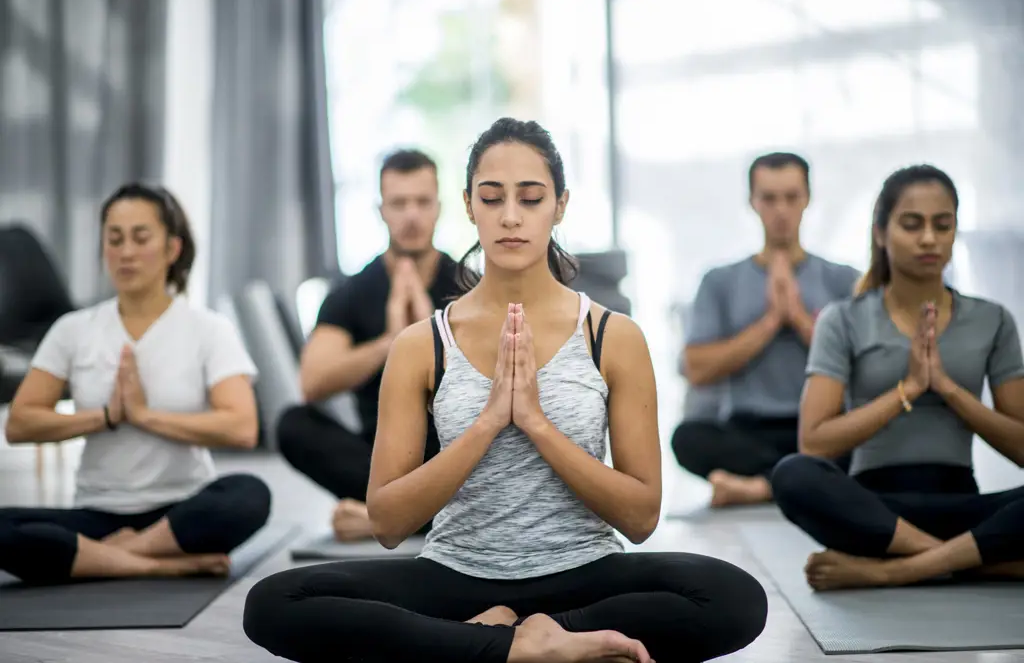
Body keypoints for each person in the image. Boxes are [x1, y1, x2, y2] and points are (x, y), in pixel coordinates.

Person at [242, 118, 767, 663]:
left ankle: (516, 639)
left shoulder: (613, 336)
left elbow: (639, 518)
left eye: (531, 198)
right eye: (492, 199)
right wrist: (489, 421)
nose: (511, 217)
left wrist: (538, 424)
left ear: (560, 205)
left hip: (586, 572)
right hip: (457, 574)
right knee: (275, 601)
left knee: (734, 597)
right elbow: (389, 522)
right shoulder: (423, 344)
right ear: (469, 205)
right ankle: (521, 646)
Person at [0, 184, 270, 585]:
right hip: (98, 512)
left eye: (140, 238)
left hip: (181, 511)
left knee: (249, 495)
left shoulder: (208, 329)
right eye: (115, 239)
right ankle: (157, 564)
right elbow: (20, 424)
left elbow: (242, 428)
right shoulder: (73, 330)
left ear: (172, 249)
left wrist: (144, 416)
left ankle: (107, 558)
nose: (125, 252)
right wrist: (106, 417)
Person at [771, 164, 1024, 591]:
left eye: (942, 225)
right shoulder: (843, 320)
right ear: (881, 232)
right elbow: (813, 443)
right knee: (793, 474)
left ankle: (898, 569)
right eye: (912, 225)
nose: (929, 238)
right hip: (876, 512)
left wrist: (946, 388)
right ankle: (970, 563)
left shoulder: (992, 320)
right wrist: (907, 389)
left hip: (962, 505)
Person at [276, 149, 461, 542]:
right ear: (381, 210)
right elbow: (312, 382)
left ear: (439, 207)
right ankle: (414, 513)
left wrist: (430, 335)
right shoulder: (352, 293)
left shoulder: (470, 286)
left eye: (422, 202)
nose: (411, 215)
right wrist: (391, 342)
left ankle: (384, 517)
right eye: (399, 203)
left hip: (456, 452)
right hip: (381, 457)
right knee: (293, 425)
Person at [672, 152, 860, 507]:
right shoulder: (719, 281)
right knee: (688, 438)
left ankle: (761, 486)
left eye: (791, 197)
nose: (781, 211)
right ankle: (795, 481)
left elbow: (862, 368)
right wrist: (771, 321)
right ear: (753, 202)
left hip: (819, 426)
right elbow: (696, 368)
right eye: (769, 198)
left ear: (807, 198)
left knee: (871, 439)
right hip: (747, 429)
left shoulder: (842, 278)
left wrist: (800, 319)